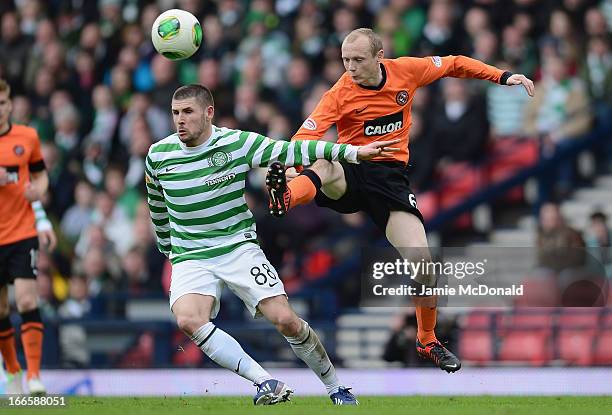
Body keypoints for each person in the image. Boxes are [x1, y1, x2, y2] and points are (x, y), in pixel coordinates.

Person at [265, 28, 534, 373]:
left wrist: (503, 76)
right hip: (352, 169)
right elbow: (305, 137)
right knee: (324, 163)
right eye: (345, 60)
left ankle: (427, 339)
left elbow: (453, 63)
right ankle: (287, 197)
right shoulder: (339, 93)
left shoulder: (406, 70)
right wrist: (293, 167)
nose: (350, 67)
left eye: (358, 60)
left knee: (423, 264)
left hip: (390, 180)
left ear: (379, 57)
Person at [145, 84, 398, 405]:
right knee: (188, 319)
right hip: (190, 255)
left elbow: (292, 152)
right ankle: (264, 381)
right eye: (175, 113)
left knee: (285, 320)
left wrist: (351, 152)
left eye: (188, 112)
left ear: (208, 113)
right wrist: (168, 249)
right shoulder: (158, 155)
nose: (180, 120)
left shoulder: (235, 143)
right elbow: (156, 205)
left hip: (238, 247)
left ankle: (336, 387)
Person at [0, 78, 56, 395]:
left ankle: (34, 375)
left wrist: (40, 190)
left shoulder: (27, 137)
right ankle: (12, 370)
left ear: (10, 104)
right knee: (0, 312)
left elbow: (39, 173)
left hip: (22, 232)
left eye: (4, 103)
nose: (0, 109)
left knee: (26, 299)